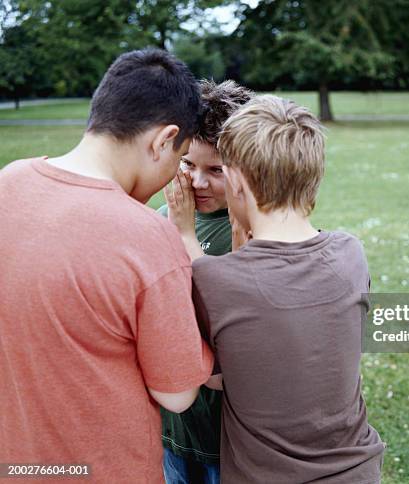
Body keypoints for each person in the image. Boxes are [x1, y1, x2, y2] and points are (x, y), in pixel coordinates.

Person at [0, 49, 215, 484]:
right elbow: (176, 394)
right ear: (162, 140)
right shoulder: (145, 234)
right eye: (180, 159)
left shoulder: (8, 182)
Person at [191, 95, 386, 483]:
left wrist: (184, 233)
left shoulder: (215, 280)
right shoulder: (351, 253)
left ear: (237, 182)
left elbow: (212, 375)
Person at [157, 79, 253, 484]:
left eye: (216, 170)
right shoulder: (165, 216)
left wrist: (186, 235)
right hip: (174, 425)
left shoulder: (252, 227)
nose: (197, 183)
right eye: (188, 165)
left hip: (227, 433)